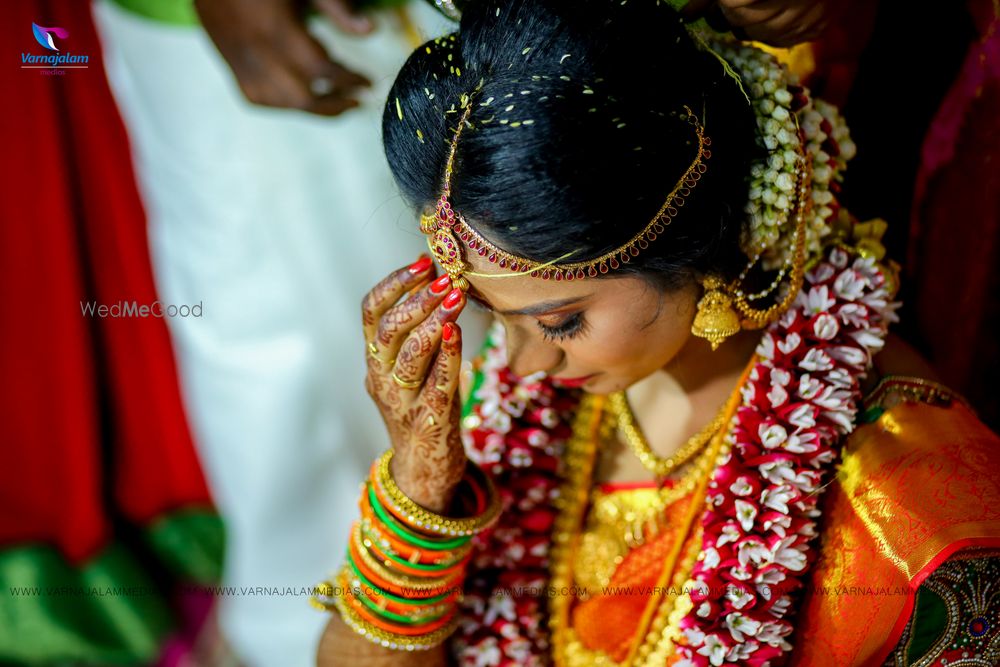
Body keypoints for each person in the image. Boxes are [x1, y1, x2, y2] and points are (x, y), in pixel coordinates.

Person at [313, 1, 1000, 665]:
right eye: (486, 310)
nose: (515, 365)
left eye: (560, 321)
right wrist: (418, 490)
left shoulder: (914, 513)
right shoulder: (518, 406)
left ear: (697, 242)